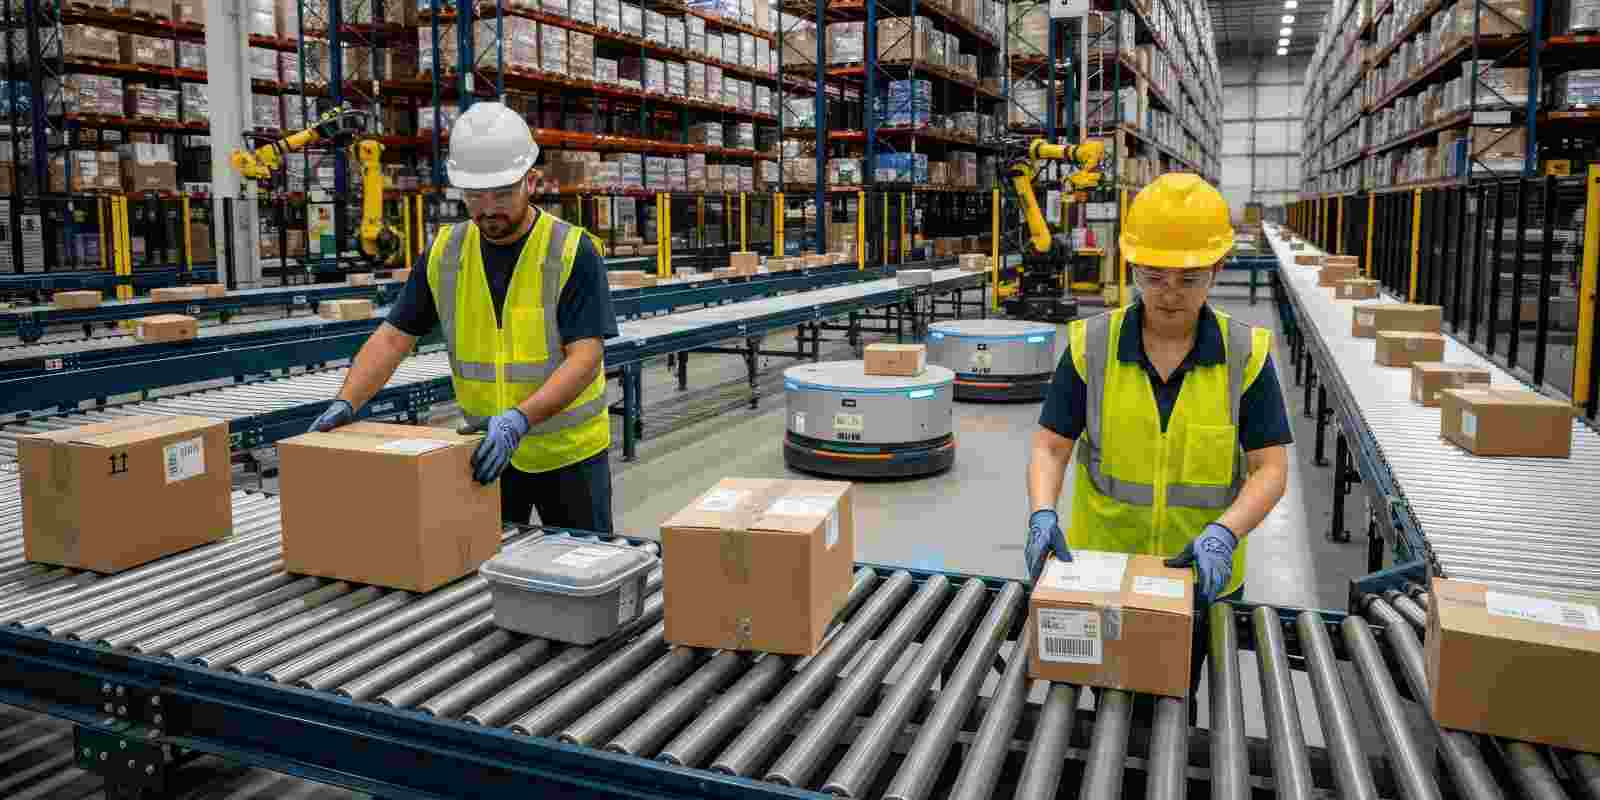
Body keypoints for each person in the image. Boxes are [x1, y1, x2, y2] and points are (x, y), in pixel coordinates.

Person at [1024, 172, 1292, 698]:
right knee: (1104, 699)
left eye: (1189, 279)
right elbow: (1051, 447)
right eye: (1154, 276)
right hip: (1103, 571)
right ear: (1132, 268)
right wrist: (1042, 511)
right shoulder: (1091, 346)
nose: (1169, 294)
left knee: (1177, 702)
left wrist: (1226, 532)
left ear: (1217, 269)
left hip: (1200, 580)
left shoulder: (1246, 356)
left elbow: (1270, 468)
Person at [307, 101, 619, 532]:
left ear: (531, 181)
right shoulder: (445, 253)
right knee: (486, 573)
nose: (488, 208)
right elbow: (393, 338)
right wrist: (348, 401)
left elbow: (585, 358)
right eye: (475, 195)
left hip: (568, 457)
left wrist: (520, 419)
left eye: (503, 193)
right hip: (485, 451)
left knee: (583, 574)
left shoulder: (571, 251)